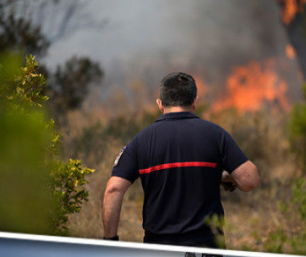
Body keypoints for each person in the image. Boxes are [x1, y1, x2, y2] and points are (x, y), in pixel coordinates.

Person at [102, 71, 260, 247]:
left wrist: (111, 241)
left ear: (160, 104)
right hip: (207, 248)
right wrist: (221, 176)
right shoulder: (216, 135)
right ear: (194, 102)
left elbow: (114, 189)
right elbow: (250, 180)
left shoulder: (141, 141)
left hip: (158, 250)